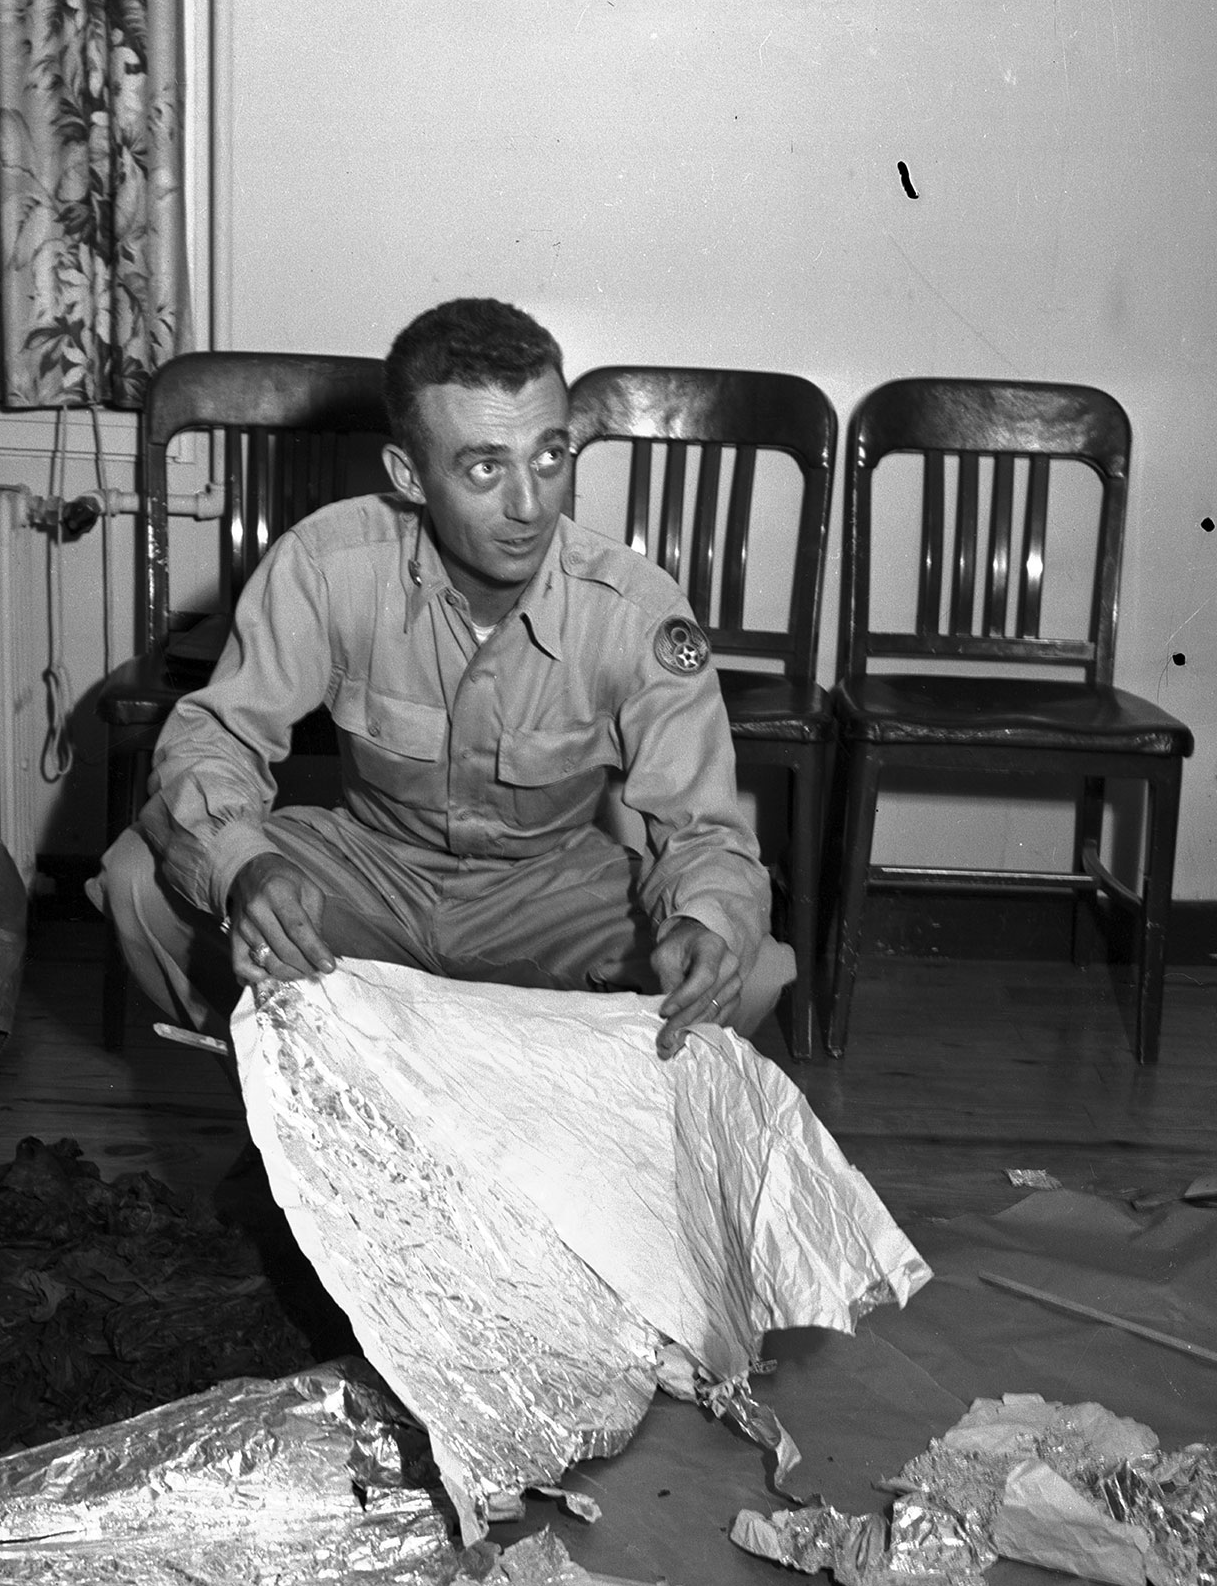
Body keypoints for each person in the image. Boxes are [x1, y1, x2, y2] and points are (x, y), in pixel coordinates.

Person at [95, 298, 795, 1059]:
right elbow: (212, 740)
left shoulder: (633, 609)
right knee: (140, 878)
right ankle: (288, 1092)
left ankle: (539, 1116)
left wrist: (704, 920)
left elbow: (704, 829)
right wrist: (247, 870)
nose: (529, 505)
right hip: (368, 876)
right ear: (411, 475)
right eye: (486, 467)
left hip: (547, 893)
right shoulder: (328, 564)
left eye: (550, 457)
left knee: (744, 972)